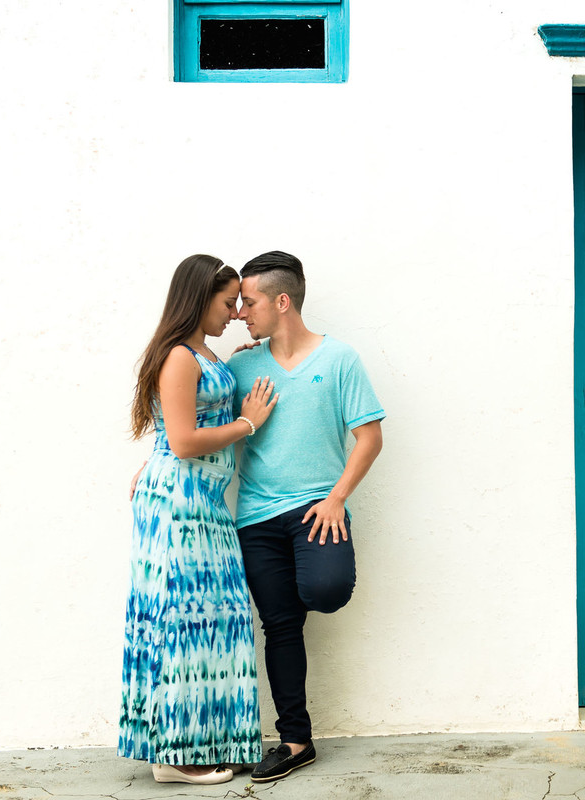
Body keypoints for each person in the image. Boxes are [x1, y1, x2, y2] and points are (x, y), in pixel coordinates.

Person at [120, 255, 279, 785]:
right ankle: (177, 755)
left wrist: (244, 363)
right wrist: (245, 424)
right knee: (181, 621)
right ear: (197, 298)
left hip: (200, 502)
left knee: (209, 620)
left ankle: (188, 746)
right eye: (227, 300)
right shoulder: (179, 357)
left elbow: (179, 427)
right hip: (179, 502)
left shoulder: (201, 355)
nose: (235, 311)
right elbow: (185, 441)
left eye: (238, 301)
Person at [228, 251, 385, 783]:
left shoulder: (339, 360)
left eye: (248, 303)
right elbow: (199, 421)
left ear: (282, 301)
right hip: (255, 517)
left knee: (326, 590)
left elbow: (370, 436)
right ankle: (296, 741)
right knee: (279, 627)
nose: (238, 313)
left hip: (318, 508)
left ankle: (298, 593)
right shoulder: (242, 365)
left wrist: (337, 497)